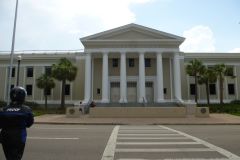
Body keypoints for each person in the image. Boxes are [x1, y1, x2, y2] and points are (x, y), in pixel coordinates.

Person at [0, 86, 34, 160]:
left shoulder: (3, 109)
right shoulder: (26, 109)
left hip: (5, 136)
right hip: (19, 136)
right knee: (16, 157)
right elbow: (30, 123)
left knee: (8, 156)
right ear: (23, 97)